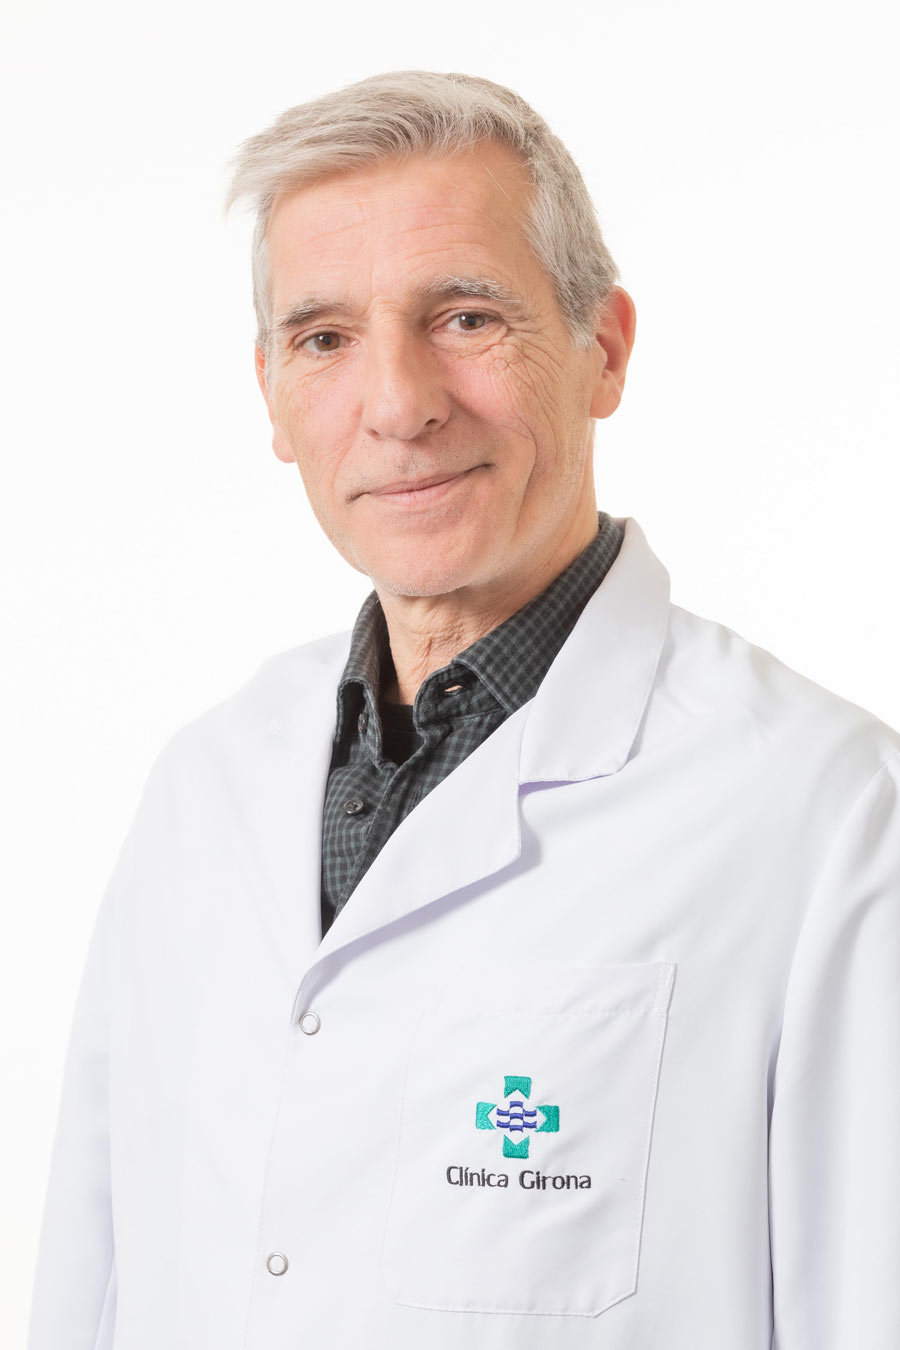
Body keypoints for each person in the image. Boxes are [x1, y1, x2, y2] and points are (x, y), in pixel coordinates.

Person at [28, 70, 899, 1350]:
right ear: (271, 393)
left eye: (467, 317)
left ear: (604, 349)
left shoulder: (827, 814)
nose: (398, 403)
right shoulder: (204, 787)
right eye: (325, 338)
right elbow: (89, 1288)